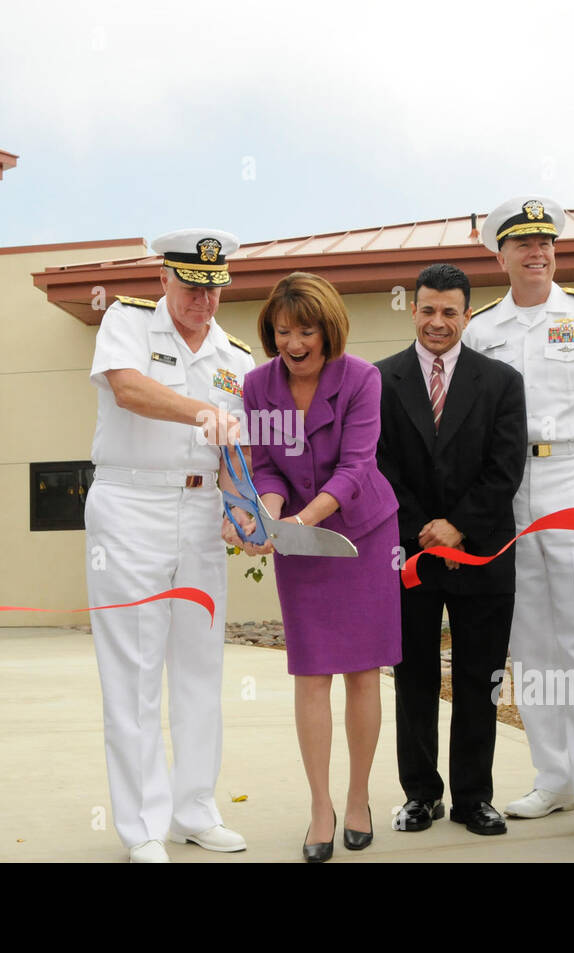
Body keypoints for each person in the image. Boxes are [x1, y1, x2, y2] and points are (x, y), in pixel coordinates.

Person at [465, 196, 574, 838]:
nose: (536, 253)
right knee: (530, 641)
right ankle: (554, 778)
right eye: (522, 244)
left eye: (545, 243)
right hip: (509, 487)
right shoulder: (481, 329)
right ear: (501, 254)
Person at [85, 229, 254, 863]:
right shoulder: (127, 322)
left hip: (204, 508)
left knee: (200, 666)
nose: (203, 303)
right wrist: (200, 414)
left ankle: (194, 809)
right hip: (131, 503)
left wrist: (247, 512)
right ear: (164, 279)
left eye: (214, 290)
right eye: (191, 287)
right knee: (133, 672)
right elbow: (128, 389)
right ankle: (142, 827)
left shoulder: (235, 355)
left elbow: (239, 448)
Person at [230, 271, 401, 862]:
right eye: (282, 331)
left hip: (362, 535)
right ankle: (320, 806)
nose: (293, 344)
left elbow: (356, 468)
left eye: (305, 331)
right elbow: (266, 466)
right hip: (299, 541)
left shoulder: (362, 379)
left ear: (328, 331)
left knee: (361, 672)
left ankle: (358, 799)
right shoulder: (256, 385)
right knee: (310, 673)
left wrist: (302, 525)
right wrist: (269, 516)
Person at [375, 263, 526, 837]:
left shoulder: (501, 382)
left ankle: (472, 796)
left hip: (482, 553)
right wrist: (422, 528)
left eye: (450, 312)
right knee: (412, 678)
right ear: (413, 309)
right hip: (408, 556)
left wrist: (458, 526)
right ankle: (420, 794)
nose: (438, 322)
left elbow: (505, 467)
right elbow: (376, 465)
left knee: (478, 677)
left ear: (467, 314)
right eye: (428, 310)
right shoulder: (379, 380)